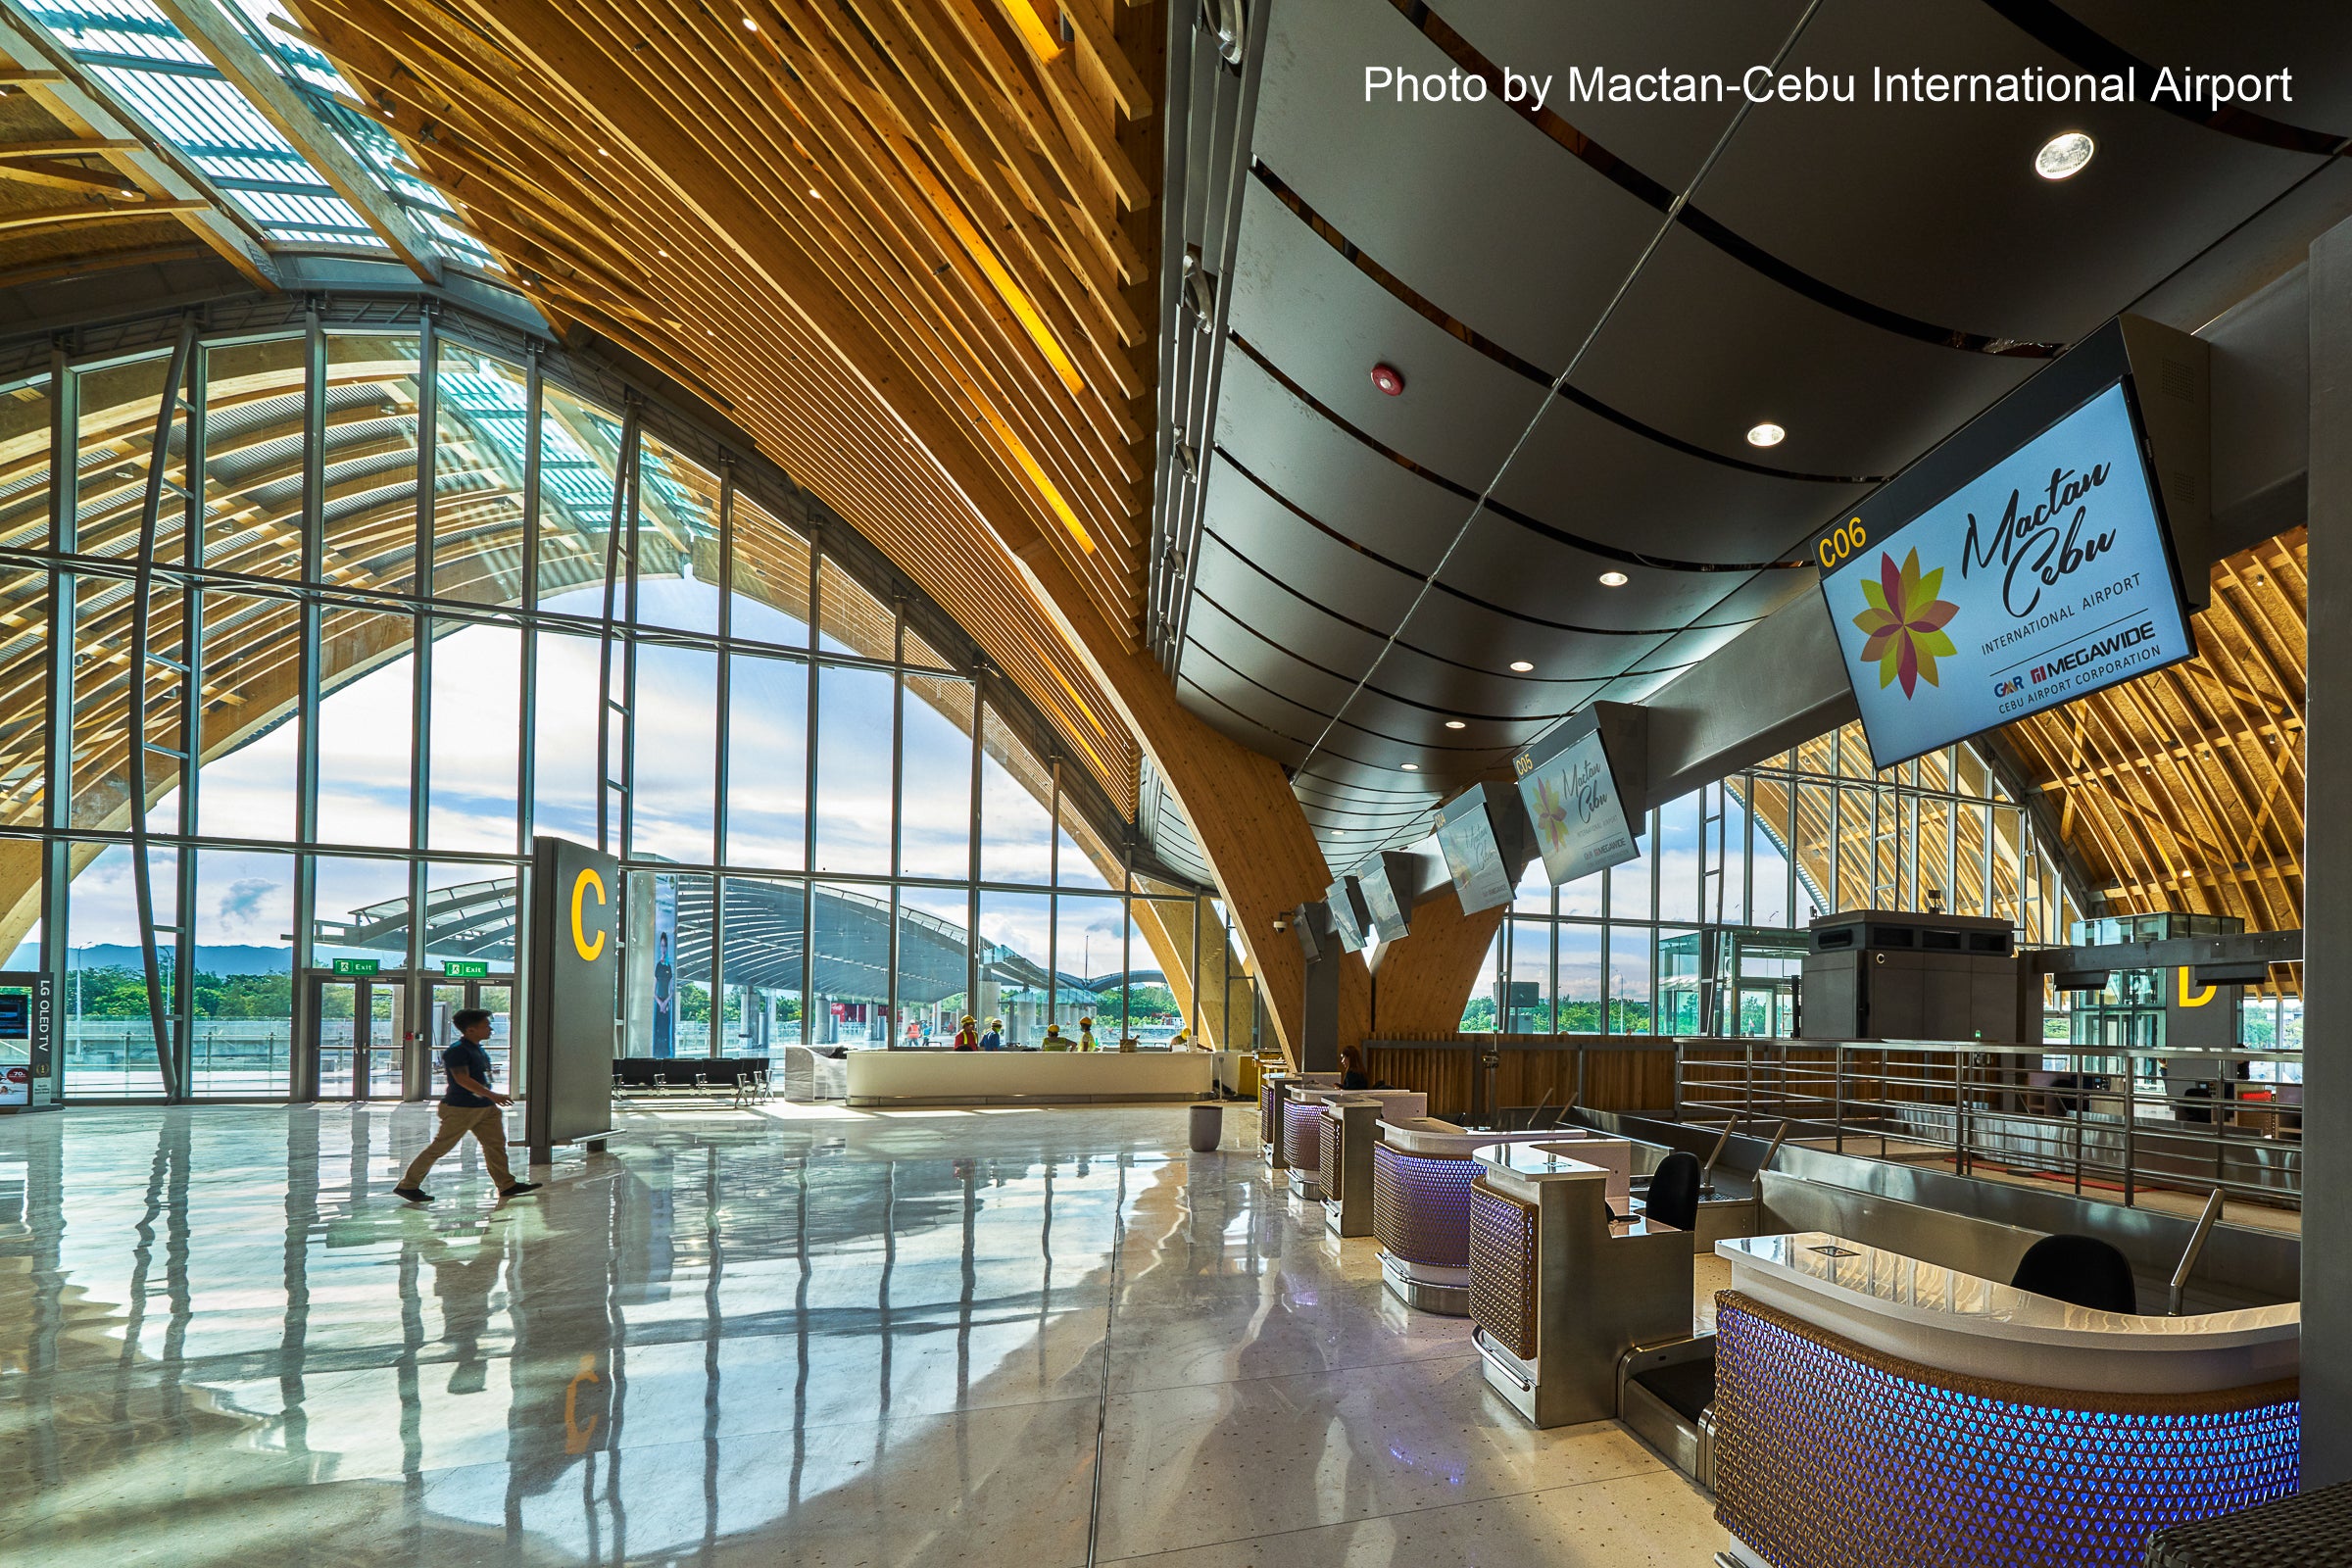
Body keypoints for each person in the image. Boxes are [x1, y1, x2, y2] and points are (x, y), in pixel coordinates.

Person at [394, 1009, 540, 1204]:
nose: (490, 1028)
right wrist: (493, 1096)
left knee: (495, 1145)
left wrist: (489, 1099)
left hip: (484, 1107)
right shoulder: (457, 1051)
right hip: (461, 1108)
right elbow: (462, 1079)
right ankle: (408, 1185)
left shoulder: (477, 1048)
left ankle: (506, 1184)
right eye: (485, 1025)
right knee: (440, 1147)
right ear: (471, 1029)